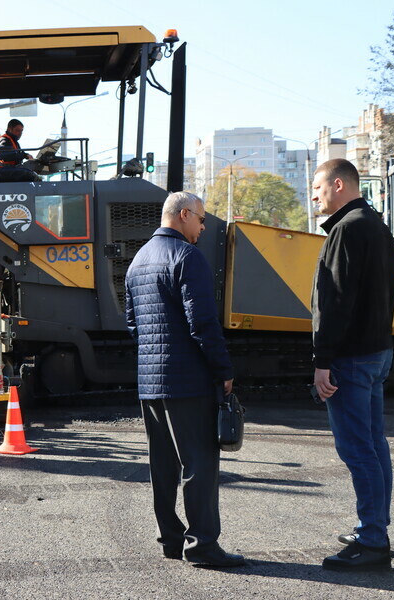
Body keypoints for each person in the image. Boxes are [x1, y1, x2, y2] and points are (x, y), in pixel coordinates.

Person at [124, 191, 245, 568]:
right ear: (184, 214)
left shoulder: (138, 260)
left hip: (150, 382)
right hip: (188, 382)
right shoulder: (187, 258)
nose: (204, 227)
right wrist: (223, 371)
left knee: (162, 465)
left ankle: (172, 541)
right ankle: (203, 546)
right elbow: (203, 325)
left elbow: (133, 325)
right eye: (202, 219)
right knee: (199, 464)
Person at [310, 158, 394, 572]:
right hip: (378, 351)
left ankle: (372, 540)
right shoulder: (378, 227)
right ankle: (374, 527)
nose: (314, 194)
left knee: (357, 449)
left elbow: (336, 300)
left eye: (318, 187)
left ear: (340, 184)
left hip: (351, 358)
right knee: (374, 445)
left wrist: (323, 360)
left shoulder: (347, 229)